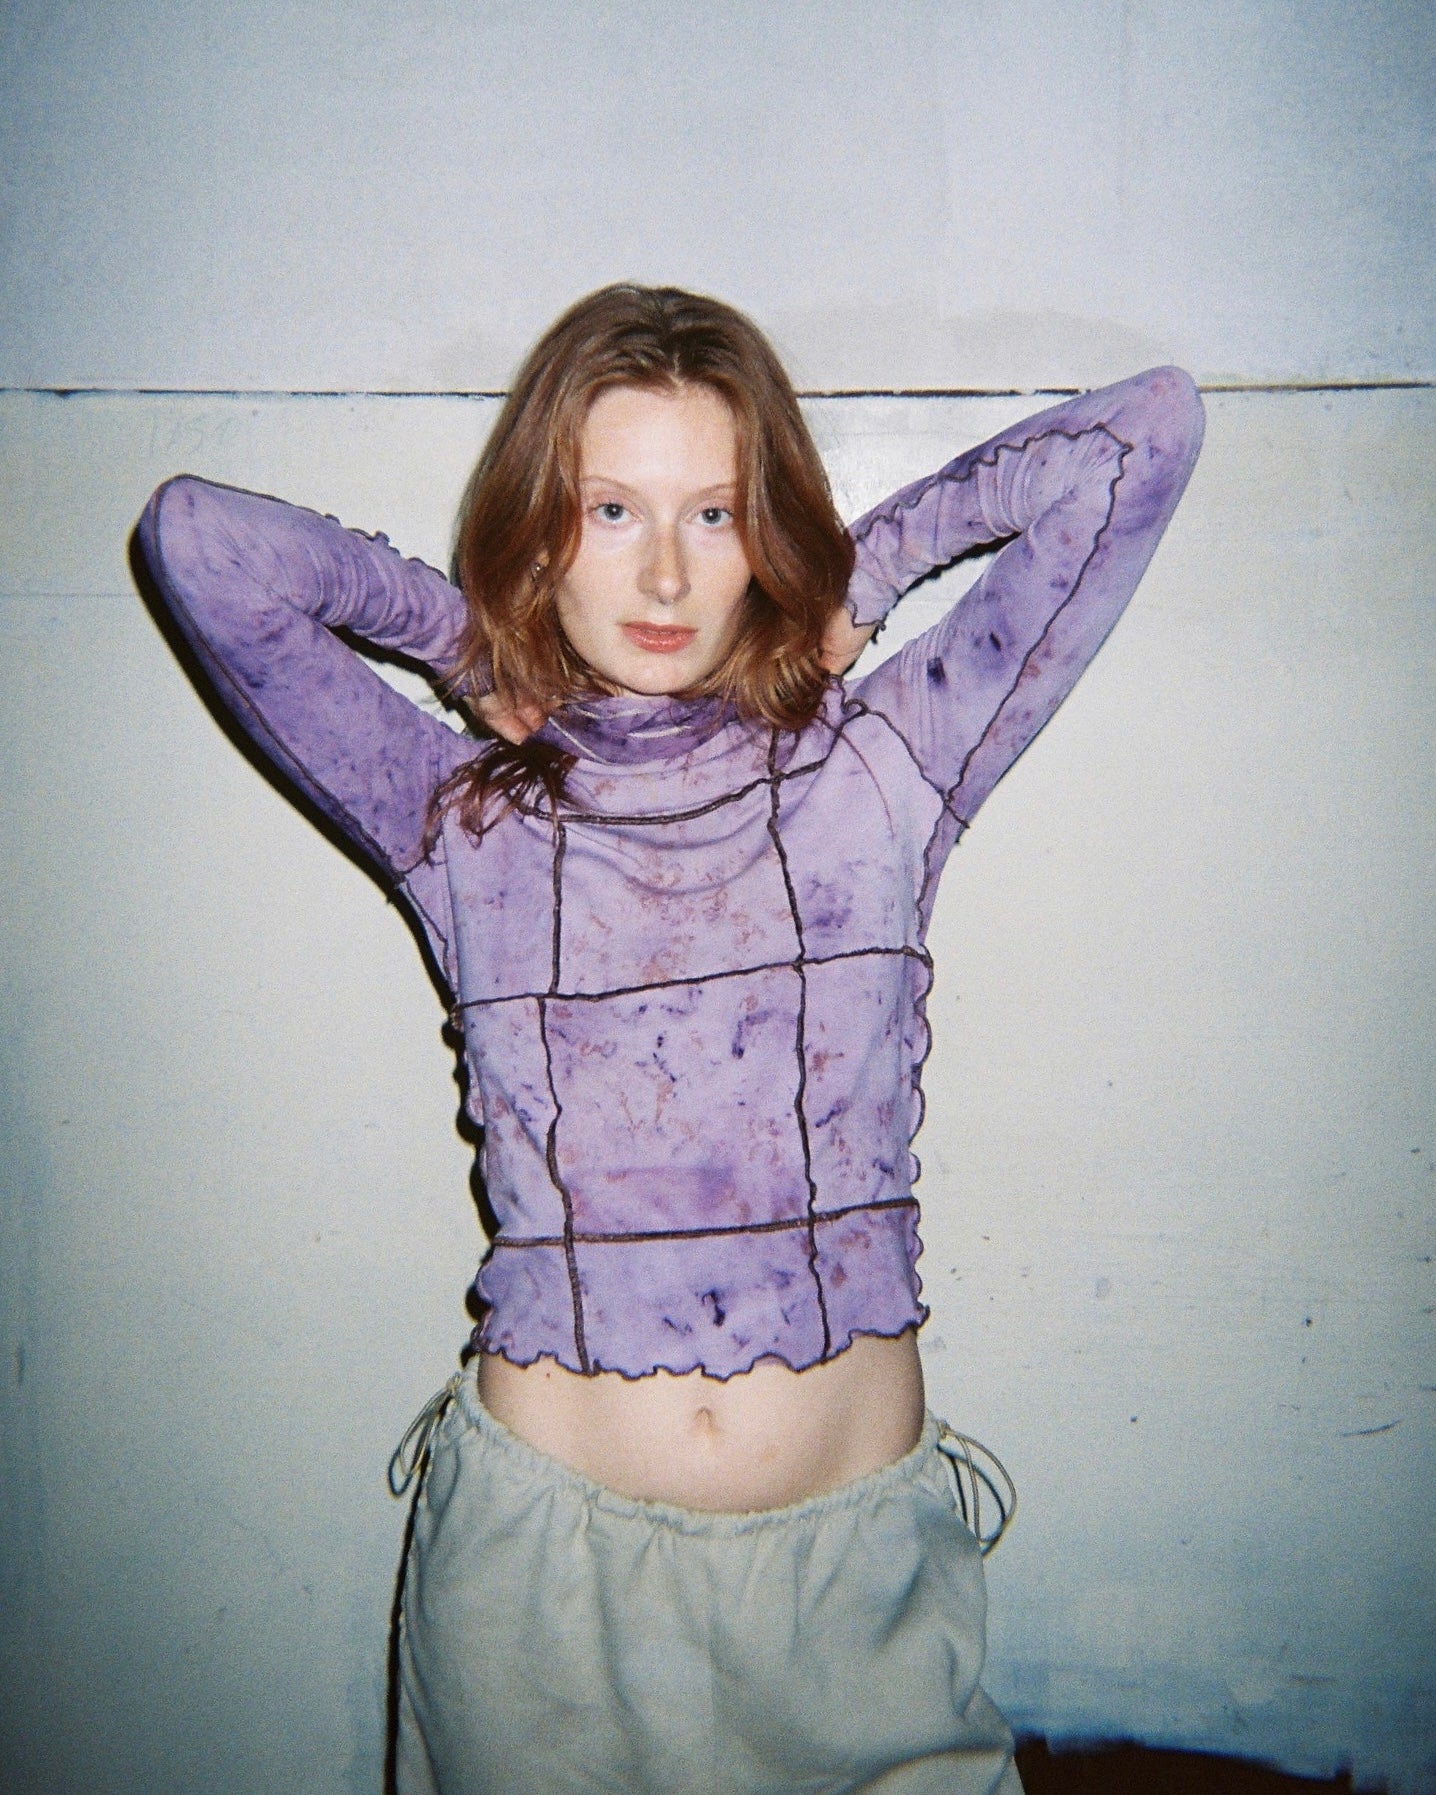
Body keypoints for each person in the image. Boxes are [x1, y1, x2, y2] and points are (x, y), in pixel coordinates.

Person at [136, 283, 1203, 1795]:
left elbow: (1144, 439)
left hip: (855, 1597)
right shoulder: (464, 816)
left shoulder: (883, 764)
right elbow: (200, 543)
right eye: (608, 508)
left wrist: (861, 574)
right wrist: (464, 648)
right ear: (539, 532)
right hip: (540, 1603)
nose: (661, 571)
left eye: (715, 514)